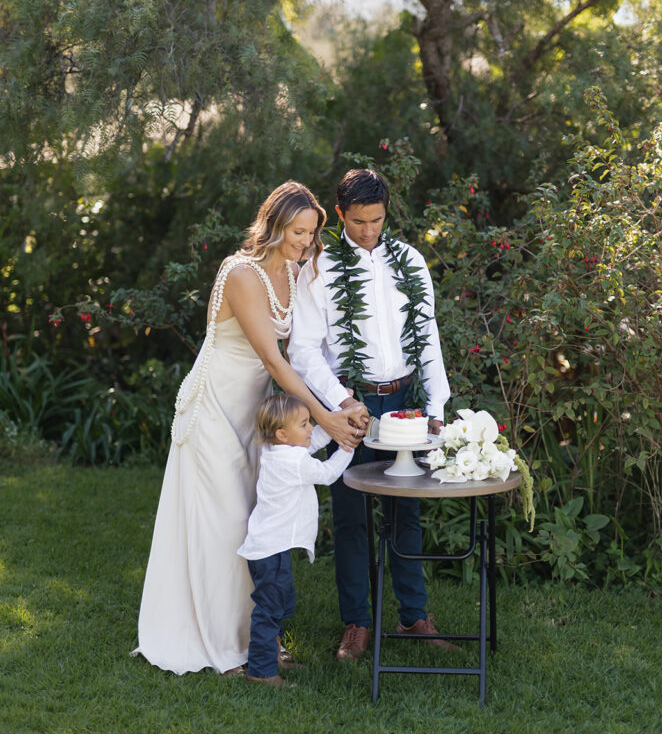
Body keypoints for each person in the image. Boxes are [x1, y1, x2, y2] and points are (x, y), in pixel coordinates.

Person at [133, 181, 366, 675]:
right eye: (298, 231)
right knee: (223, 523)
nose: (305, 241)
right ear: (275, 223)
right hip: (217, 405)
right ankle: (220, 643)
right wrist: (323, 417)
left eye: (311, 233)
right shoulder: (241, 273)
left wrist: (341, 400)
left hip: (257, 413)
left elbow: (302, 351)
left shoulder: (296, 272)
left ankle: (251, 641)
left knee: (253, 524)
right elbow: (272, 359)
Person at [288, 168, 453, 662]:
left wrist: (437, 407)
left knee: (407, 511)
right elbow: (303, 349)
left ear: (386, 212)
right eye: (358, 222)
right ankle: (357, 623)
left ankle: (413, 616)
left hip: (406, 401)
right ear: (338, 215)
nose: (368, 231)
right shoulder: (318, 268)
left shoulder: (410, 261)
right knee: (351, 516)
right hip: (350, 403)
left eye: (376, 221)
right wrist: (340, 402)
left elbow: (428, 337)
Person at [237, 394, 354, 686]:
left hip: (269, 547)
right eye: (304, 424)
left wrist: (336, 426)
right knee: (269, 609)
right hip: (271, 550)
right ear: (282, 433)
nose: (311, 427)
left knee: (279, 602)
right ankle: (261, 672)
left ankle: (272, 656)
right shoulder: (293, 462)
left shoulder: (278, 451)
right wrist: (348, 447)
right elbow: (327, 474)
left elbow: (311, 443)